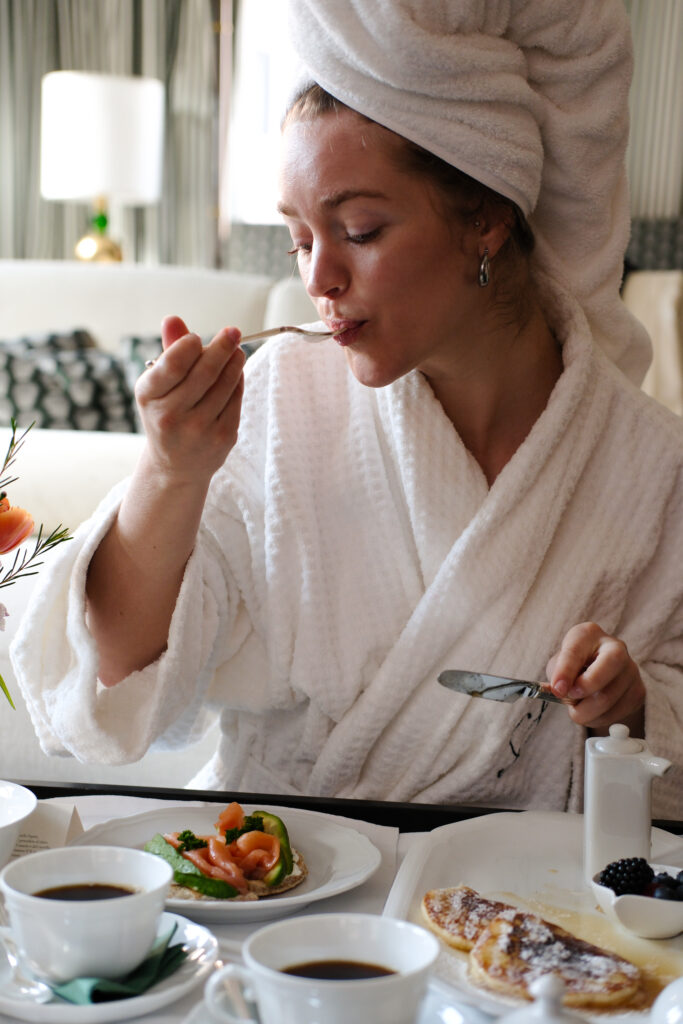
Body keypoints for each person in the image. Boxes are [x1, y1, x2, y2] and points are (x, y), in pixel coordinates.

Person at [11, 0, 682, 816]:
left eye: (359, 230)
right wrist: (168, 472)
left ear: (487, 218)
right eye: (299, 240)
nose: (318, 278)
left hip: (512, 909)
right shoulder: (284, 399)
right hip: (274, 874)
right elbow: (114, 679)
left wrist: (629, 708)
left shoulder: (644, 461)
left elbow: (667, 728)